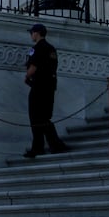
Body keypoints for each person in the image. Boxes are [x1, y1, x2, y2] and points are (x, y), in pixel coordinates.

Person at [23, 23, 69, 157]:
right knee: (44, 117)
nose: (31, 35)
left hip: (38, 87)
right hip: (49, 87)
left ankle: (42, 147)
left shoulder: (37, 48)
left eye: (31, 33)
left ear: (36, 33)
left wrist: (27, 76)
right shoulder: (51, 49)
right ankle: (53, 145)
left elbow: (33, 67)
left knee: (35, 117)